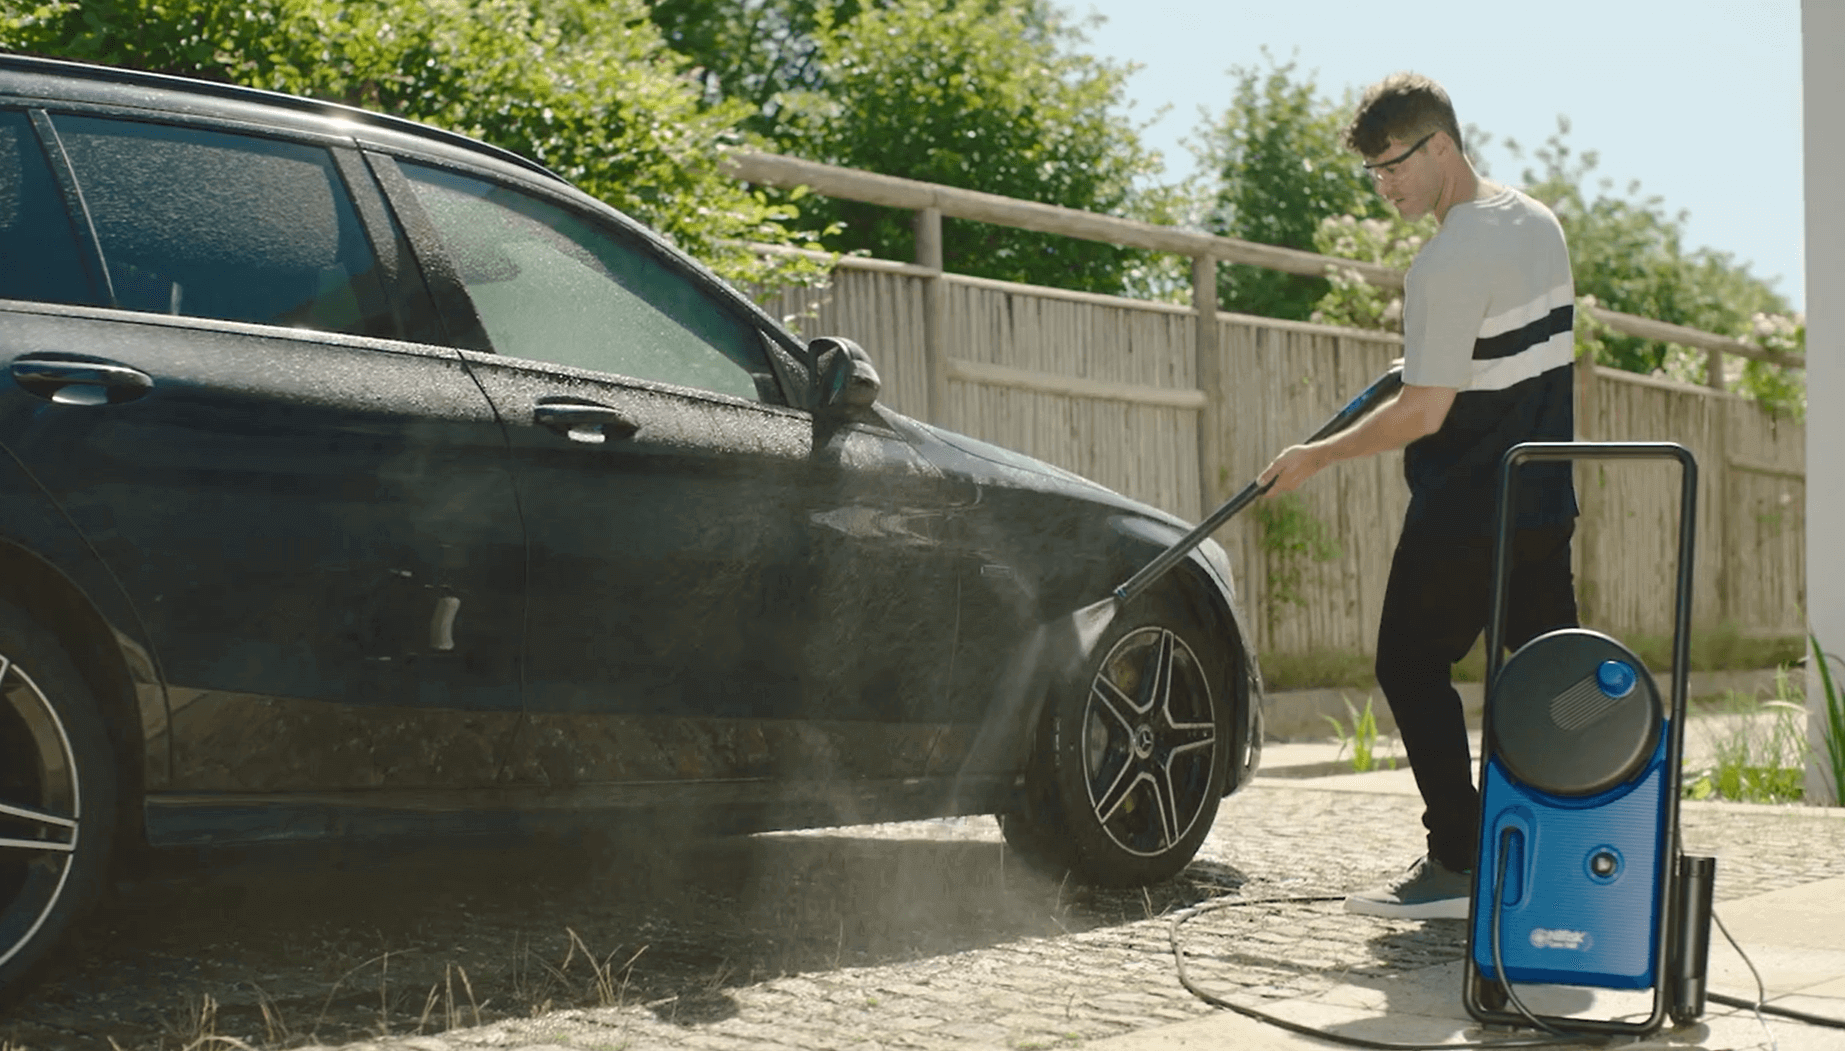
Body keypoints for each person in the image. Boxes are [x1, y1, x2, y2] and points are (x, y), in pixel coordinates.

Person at [1258, 73, 1580, 920]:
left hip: (1469, 508)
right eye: (1372, 173)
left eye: (1394, 165)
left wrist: (1312, 455)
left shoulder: (1443, 259)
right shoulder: (1536, 221)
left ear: (1440, 145)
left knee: (1407, 661)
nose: (1385, 186)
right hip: (1543, 503)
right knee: (1547, 684)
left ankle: (1457, 859)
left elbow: (1424, 413)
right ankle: (1564, 858)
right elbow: (1505, 353)